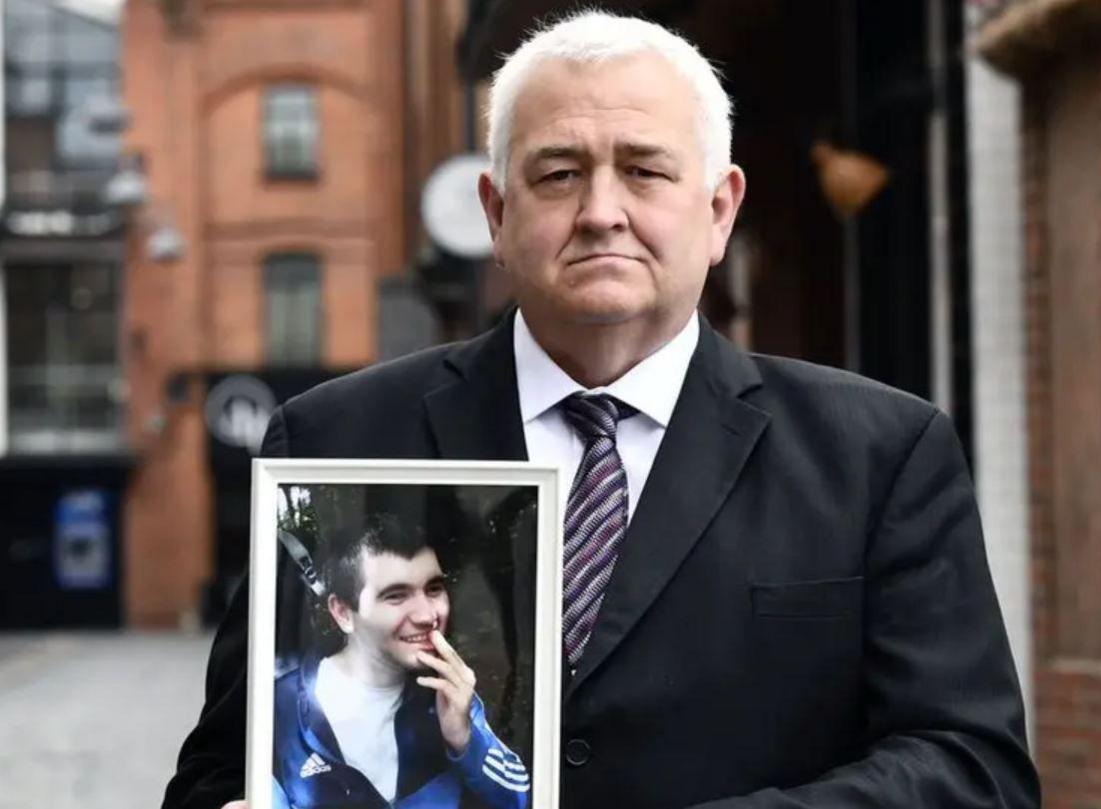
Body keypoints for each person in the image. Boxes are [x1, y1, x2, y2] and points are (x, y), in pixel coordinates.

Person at [164, 10, 1040, 809]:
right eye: (559, 174)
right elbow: (218, 770)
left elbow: (975, 768)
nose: (601, 213)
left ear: (719, 209)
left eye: (644, 169)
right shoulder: (335, 439)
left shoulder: (880, 454)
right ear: (498, 217)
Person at [271, 516, 530, 809]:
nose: (426, 615)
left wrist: (464, 737)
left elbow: (523, 800)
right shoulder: (282, 708)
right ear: (343, 613)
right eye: (395, 596)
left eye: (433, 589)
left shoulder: (447, 694)